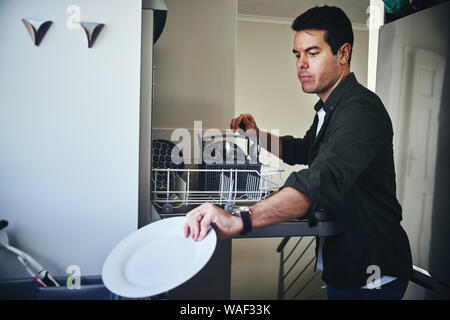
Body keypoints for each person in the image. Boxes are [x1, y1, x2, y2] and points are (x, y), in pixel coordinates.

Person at [184, 5, 413, 300]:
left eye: (313, 53)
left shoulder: (360, 109)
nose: (301, 64)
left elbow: (319, 179)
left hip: (373, 270)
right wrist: (256, 136)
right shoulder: (331, 108)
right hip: (349, 263)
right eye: (297, 54)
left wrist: (240, 219)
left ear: (343, 53)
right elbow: (305, 149)